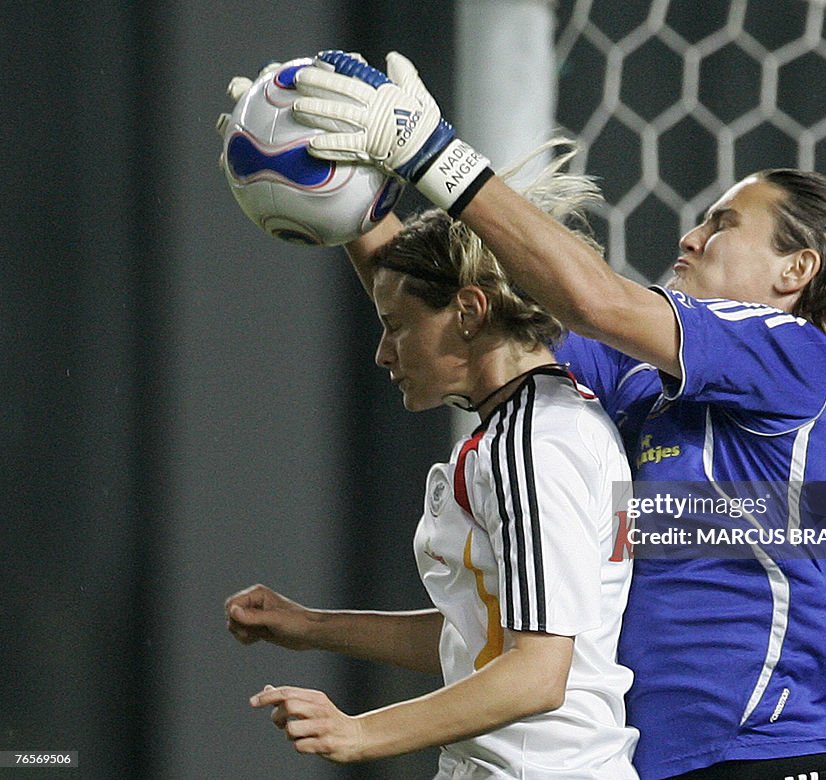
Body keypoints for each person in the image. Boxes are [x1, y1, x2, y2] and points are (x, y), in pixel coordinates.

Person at [284, 51, 826, 780]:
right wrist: (345, 198)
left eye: (722, 224)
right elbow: (468, 323)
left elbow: (596, 301)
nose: (690, 237)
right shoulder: (636, 384)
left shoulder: (800, 357)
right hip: (661, 760)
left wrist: (433, 153)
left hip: (770, 746)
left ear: (795, 270)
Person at [223, 136, 640, 776]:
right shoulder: (539, 424)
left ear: (470, 312)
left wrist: (361, 733)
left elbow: (537, 675)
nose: (383, 353)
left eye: (396, 325)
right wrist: (310, 626)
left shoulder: (533, 447)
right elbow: (480, 639)